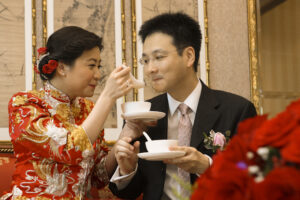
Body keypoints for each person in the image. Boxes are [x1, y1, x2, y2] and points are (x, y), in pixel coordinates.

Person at [109, 13, 257, 200]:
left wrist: (207, 166)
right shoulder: (143, 114)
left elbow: (254, 180)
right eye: (145, 61)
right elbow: (128, 192)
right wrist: (127, 169)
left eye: (158, 57)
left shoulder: (238, 110)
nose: (150, 69)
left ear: (188, 56)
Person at [1, 26, 137, 200]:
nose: (98, 74)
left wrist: (121, 146)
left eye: (99, 65)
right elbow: (68, 148)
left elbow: (98, 176)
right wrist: (108, 96)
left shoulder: (89, 109)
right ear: (62, 67)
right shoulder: (25, 105)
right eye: (92, 65)